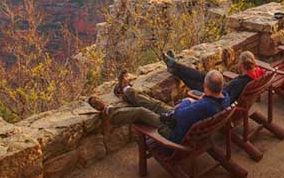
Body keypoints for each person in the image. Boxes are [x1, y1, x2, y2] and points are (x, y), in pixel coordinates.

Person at [88, 70, 229, 144]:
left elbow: (180, 114)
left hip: (174, 132)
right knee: (156, 104)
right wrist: (189, 105)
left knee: (141, 112)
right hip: (183, 122)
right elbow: (184, 113)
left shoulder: (204, 106)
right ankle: (126, 91)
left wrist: (187, 102)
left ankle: (108, 111)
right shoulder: (224, 99)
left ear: (205, 86)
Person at [163, 50, 264, 103]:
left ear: (241, 65)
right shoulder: (257, 74)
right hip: (221, 88)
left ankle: (174, 67)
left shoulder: (242, 82)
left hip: (217, 95)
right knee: (203, 76)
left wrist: (213, 94)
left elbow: (229, 100)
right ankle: (174, 66)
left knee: (195, 83)